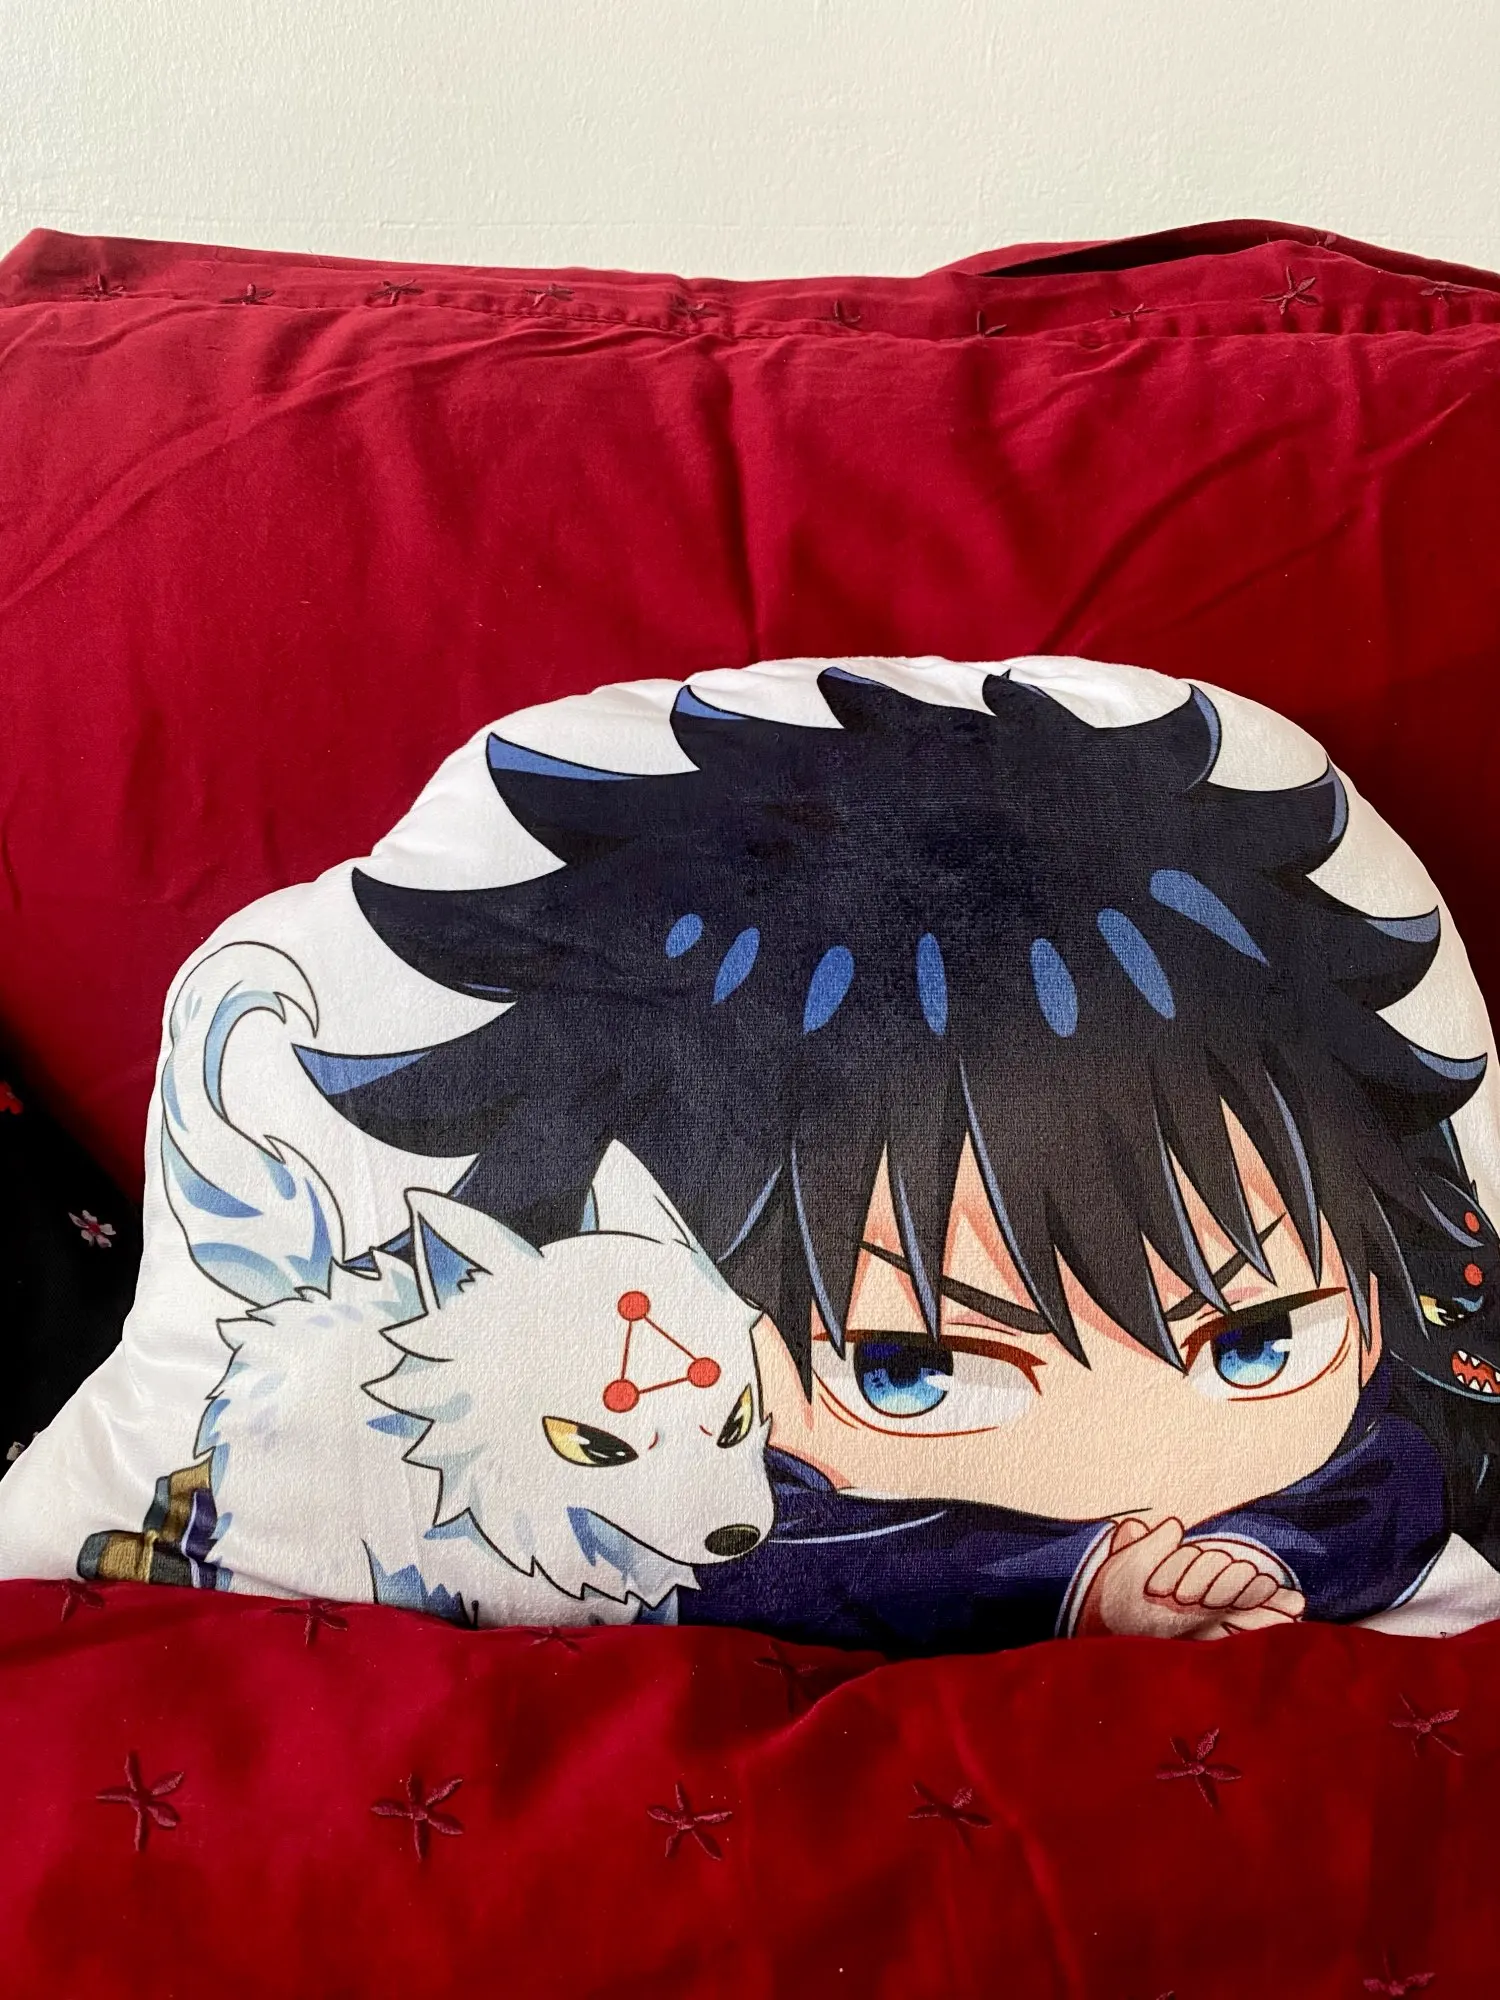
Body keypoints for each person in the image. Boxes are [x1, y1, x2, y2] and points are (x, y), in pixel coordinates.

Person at [300, 665, 1500, 1647]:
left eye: (1255, 1341)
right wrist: (1073, 1580)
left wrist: (1261, 1552)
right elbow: (762, 1566)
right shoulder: (702, 1507)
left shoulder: (1391, 1430)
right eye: (910, 1369)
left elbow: (1399, 1474)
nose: (1127, 1460)